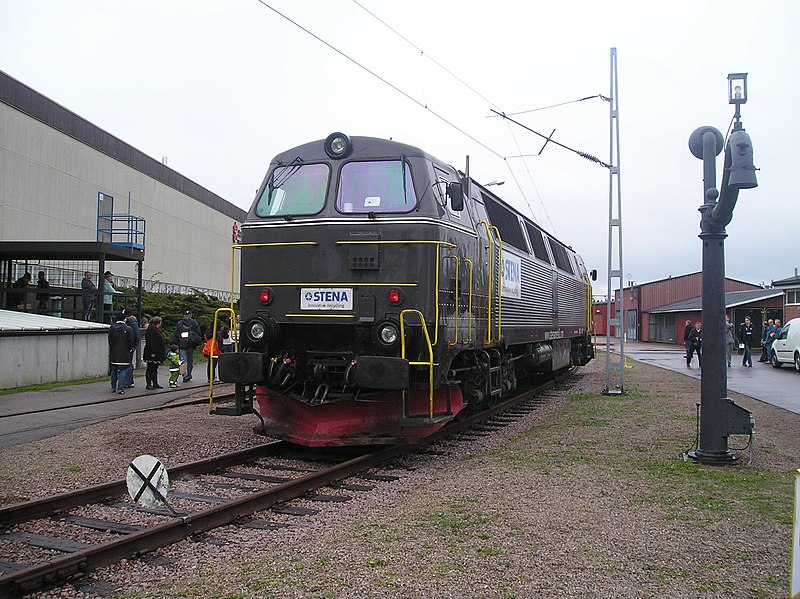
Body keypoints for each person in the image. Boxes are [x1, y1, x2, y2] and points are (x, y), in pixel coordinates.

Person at [108, 312, 135, 394]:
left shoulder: (112, 328)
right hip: (124, 352)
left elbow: (110, 341)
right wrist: (129, 348)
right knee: (123, 370)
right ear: (124, 319)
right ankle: (121, 388)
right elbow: (131, 341)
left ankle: (113, 387)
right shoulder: (128, 329)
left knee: (114, 370)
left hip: (114, 352)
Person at [173, 310, 202, 383]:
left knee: (183, 361)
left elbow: (176, 334)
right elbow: (198, 333)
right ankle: (189, 374)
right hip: (191, 344)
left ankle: (184, 375)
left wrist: (176, 344)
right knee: (190, 361)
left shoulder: (179, 323)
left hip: (182, 344)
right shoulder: (194, 323)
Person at [143, 316, 166, 390]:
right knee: (150, 368)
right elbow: (151, 342)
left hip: (157, 352)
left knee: (154, 368)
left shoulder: (156, 329)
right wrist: (153, 352)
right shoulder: (151, 331)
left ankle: (155, 383)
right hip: (152, 353)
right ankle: (149, 384)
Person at [123, 311, 141, 388]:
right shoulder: (133, 322)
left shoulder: (131, 323)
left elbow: (137, 336)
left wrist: (133, 346)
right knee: (128, 364)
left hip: (129, 346)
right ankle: (128, 381)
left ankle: (128, 381)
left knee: (128, 364)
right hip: (130, 345)